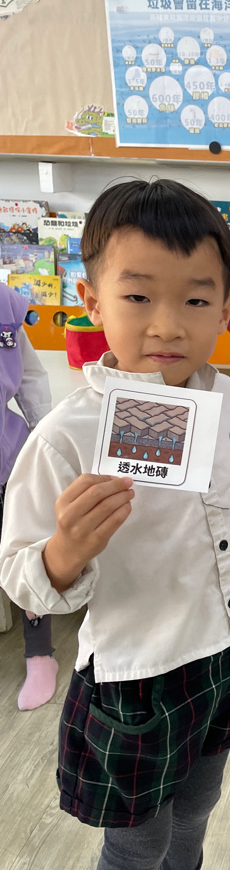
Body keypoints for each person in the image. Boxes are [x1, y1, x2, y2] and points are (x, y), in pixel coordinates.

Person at [0, 178, 230, 870]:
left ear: (227, 306)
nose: (167, 324)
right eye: (138, 296)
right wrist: (64, 552)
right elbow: (19, 570)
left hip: (226, 653)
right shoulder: (68, 436)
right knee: (133, 847)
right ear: (91, 299)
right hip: (139, 675)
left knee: (201, 800)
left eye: (194, 299)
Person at [0, 281, 56, 710]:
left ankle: (39, 653)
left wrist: (45, 438)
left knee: (28, 551)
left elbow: (32, 376)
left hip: (8, 456)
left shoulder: (4, 304)